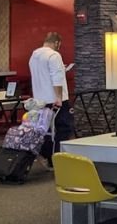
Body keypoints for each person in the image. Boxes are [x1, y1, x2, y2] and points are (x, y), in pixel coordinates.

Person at [29, 32, 74, 166]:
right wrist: (59, 97)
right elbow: (57, 79)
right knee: (63, 128)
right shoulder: (54, 55)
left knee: (46, 131)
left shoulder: (34, 55)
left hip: (40, 100)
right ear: (56, 43)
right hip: (55, 100)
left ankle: (47, 157)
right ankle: (58, 160)